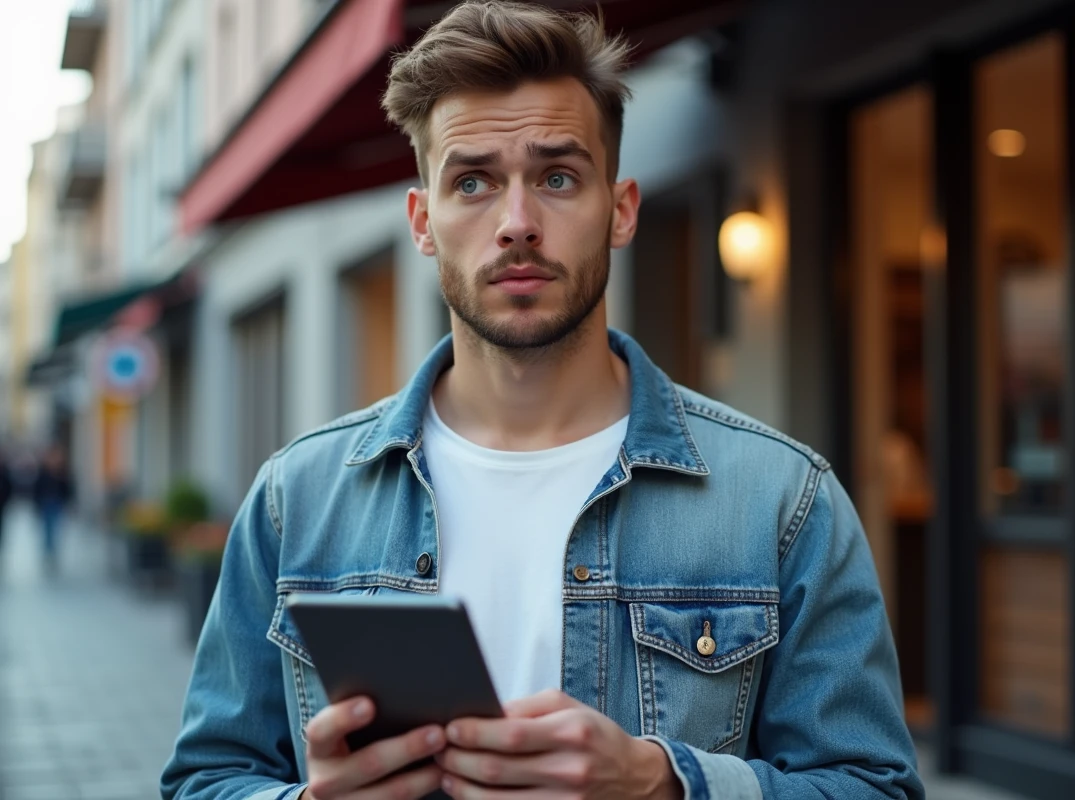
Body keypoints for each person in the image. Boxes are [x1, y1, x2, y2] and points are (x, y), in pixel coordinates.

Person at [162, 3, 923, 798]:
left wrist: (663, 784)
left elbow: (875, 785)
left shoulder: (781, 500)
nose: (517, 224)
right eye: (473, 182)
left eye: (557, 177)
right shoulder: (300, 497)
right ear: (424, 222)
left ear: (620, 209)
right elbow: (207, 778)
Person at [32, 443, 73, 572]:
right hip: (46, 503)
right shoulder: (43, 472)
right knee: (47, 530)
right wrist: (37, 504)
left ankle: (53, 551)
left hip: (58, 504)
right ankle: (48, 552)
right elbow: (37, 489)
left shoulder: (63, 472)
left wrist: (69, 502)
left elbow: (68, 489)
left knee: (56, 529)